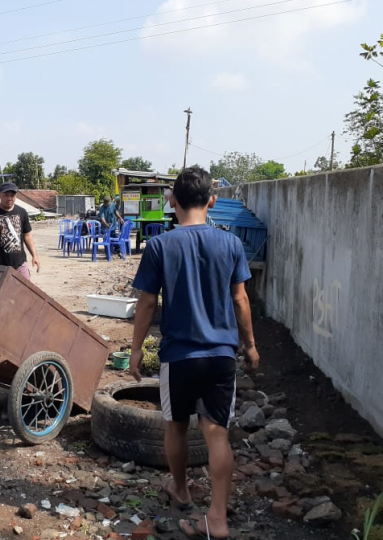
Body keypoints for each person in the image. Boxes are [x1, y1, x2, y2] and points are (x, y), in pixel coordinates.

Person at [128, 167, 259, 540]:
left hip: (179, 356)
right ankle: (216, 518)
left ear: (173, 202)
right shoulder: (230, 243)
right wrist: (250, 346)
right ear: (212, 201)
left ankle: (181, 489)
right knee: (217, 433)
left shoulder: (160, 246)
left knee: (176, 425)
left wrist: (136, 350)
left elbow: (147, 303)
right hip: (220, 354)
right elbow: (241, 299)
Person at [0, 182, 41, 280]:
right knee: (0, 294)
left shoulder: (22, 212)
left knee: (24, 292)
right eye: (6, 195)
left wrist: (35, 256)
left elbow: (27, 236)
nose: (9, 198)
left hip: (20, 264)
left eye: (12, 195)